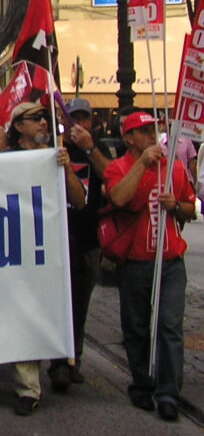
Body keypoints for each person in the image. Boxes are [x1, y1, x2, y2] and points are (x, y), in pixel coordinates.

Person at [104, 109, 195, 422]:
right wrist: (142, 165)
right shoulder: (119, 167)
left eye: (153, 131)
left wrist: (177, 206)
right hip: (135, 261)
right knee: (137, 327)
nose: (151, 137)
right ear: (128, 138)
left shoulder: (176, 169)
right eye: (143, 132)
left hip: (171, 260)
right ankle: (142, 384)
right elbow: (118, 198)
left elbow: (189, 210)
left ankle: (169, 393)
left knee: (170, 326)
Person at [4, 101, 82, 415]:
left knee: (54, 310)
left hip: (52, 251)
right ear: (18, 126)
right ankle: (28, 389)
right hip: (18, 251)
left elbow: (79, 200)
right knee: (23, 315)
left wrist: (65, 168)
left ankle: (62, 361)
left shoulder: (56, 157)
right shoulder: (4, 161)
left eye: (44, 119)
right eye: (35, 119)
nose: (43, 124)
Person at [47, 97, 109, 392]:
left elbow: (110, 174)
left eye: (84, 118)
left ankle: (75, 359)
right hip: (57, 237)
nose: (79, 124)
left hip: (87, 237)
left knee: (80, 304)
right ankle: (58, 363)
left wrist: (89, 148)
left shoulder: (98, 148)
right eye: (74, 118)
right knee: (58, 303)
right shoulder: (53, 145)